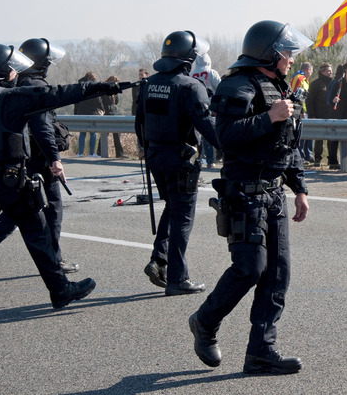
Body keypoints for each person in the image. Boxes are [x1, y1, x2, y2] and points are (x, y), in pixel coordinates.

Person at [0, 44, 120, 328]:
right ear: (5, 72)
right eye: (12, 68)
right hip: (11, 181)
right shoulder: (9, 98)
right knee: (39, 234)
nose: (15, 72)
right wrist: (100, 88)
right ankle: (60, 291)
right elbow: (56, 94)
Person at [188, 20, 311, 375]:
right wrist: (268, 117)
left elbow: (286, 147)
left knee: (277, 275)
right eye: (286, 52)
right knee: (249, 269)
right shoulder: (236, 85)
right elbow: (224, 136)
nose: (290, 59)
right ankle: (205, 322)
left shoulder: (279, 88)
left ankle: (261, 352)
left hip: (274, 196)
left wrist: (299, 188)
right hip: (245, 195)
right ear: (269, 53)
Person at [0, 38, 78, 281]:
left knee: (21, 210)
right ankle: (54, 260)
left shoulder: (18, 81)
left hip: (23, 156)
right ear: (42, 63)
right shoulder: (35, 86)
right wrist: (54, 159)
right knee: (52, 209)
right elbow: (42, 128)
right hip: (39, 159)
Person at [135, 31, 220, 295]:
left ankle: (158, 260)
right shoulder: (190, 86)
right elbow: (205, 125)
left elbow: (139, 123)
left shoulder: (148, 84)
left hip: (155, 158)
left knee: (171, 208)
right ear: (188, 58)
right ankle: (177, 279)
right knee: (183, 216)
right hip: (181, 161)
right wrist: (231, 145)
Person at [306, 63, 335, 167]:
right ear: (322, 71)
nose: (330, 73)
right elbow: (309, 101)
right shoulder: (315, 84)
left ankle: (332, 160)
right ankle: (318, 159)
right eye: (328, 71)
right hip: (319, 115)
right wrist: (312, 115)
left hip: (331, 115)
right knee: (319, 139)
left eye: (331, 71)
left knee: (331, 139)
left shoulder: (333, 83)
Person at [73, 72, 103, 157]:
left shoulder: (79, 85)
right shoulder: (92, 86)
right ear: (92, 79)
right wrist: (102, 108)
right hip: (92, 112)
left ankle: (80, 153)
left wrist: (75, 113)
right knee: (93, 133)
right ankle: (92, 153)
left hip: (81, 112)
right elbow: (98, 99)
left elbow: (76, 101)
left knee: (82, 133)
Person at [99, 75, 126, 158]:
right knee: (104, 134)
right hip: (107, 113)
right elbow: (101, 100)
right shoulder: (104, 88)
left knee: (117, 133)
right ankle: (99, 152)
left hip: (114, 112)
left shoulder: (114, 90)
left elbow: (116, 102)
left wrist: (116, 92)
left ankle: (119, 153)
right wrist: (103, 109)